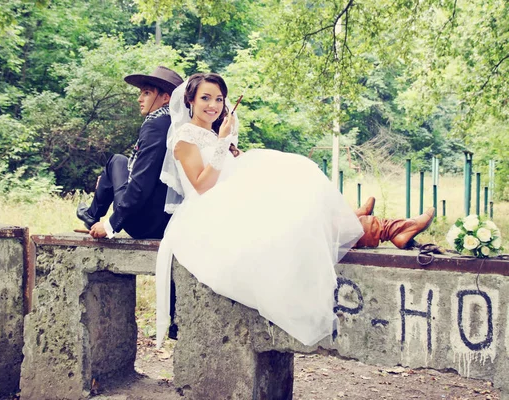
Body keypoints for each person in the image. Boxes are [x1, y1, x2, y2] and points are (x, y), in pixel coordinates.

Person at [155, 73, 435, 348]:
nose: (213, 105)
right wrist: (223, 143)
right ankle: (376, 226)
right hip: (208, 213)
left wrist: (228, 147)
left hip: (226, 199)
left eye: (218, 98)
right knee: (290, 203)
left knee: (291, 180)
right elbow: (202, 186)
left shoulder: (211, 132)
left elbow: (223, 169)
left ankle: (371, 224)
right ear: (190, 99)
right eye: (205, 98)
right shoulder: (184, 138)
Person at [76, 66, 184, 239]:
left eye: (147, 93)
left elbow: (141, 185)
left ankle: (92, 215)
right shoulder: (175, 124)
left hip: (146, 223)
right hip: (166, 218)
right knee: (118, 163)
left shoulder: (156, 126)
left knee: (115, 161)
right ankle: (91, 214)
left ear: (166, 98)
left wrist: (111, 225)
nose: (139, 99)